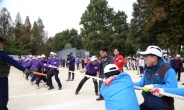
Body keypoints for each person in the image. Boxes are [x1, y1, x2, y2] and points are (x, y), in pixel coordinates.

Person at [134, 45, 177, 110]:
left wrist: (153, 86)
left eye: (146, 56)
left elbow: (173, 88)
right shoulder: (147, 70)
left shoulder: (169, 70)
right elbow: (141, 84)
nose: (144, 58)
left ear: (154, 58)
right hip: (146, 106)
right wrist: (127, 83)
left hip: (163, 108)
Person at [0, 36, 28, 110]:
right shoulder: (1, 53)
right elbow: (12, 62)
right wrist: (23, 69)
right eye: (2, 43)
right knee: (3, 97)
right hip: (1, 78)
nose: (3, 45)